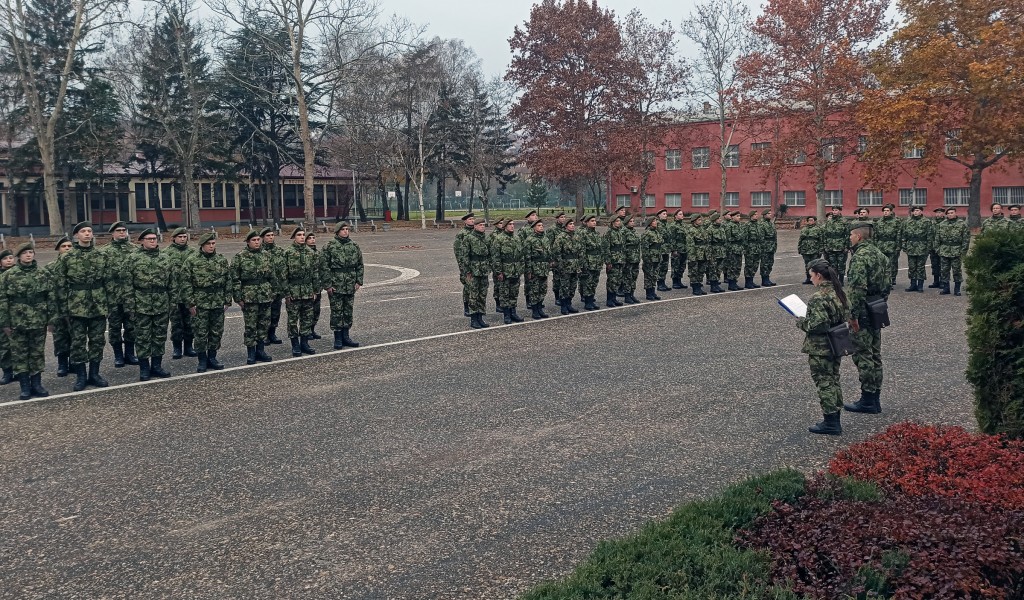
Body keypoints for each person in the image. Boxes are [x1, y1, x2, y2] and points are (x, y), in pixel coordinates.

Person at [797, 258, 851, 435]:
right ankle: (835, 418)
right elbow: (847, 313)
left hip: (821, 347)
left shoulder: (818, 297)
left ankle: (831, 422)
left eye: (811, 276)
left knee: (825, 382)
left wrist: (802, 322)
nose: (811, 279)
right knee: (833, 379)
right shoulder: (839, 292)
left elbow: (819, 325)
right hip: (837, 343)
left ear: (819, 275)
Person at [55, 221, 111, 390]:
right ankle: (81, 376)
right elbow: (60, 285)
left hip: (98, 305)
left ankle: (94, 374)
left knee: (97, 341)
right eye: (83, 231)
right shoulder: (67, 258)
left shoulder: (101, 256)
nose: (87, 233)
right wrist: (64, 310)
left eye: (89, 231)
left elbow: (109, 283)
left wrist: (108, 305)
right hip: (76, 307)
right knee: (78, 343)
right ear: (76, 236)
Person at [843, 221, 890, 414]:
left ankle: (868, 399)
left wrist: (852, 316)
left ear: (859, 236)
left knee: (863, 355)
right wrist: (879, 303)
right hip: (876, 307)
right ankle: (875, 397)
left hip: (862, 311)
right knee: (875, 354)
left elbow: (856, 289)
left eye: (851, 235)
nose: (850, 238)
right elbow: (888, 284)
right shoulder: (881, 255)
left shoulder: (860, 257)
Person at [0, 243, 57, 400]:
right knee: (20, 354)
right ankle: (25, 386)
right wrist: (4, 323)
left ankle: (37, 384)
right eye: (25, 253)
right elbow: (2, 300)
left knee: (37, 353)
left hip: (38, 321)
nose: (28, 255)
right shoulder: (8, 276)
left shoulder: (43, 273)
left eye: (31, 252)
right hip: (17, 322)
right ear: (19, 256)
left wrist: (51, 320)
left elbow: (51, 298)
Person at [128, 229, 173, 381]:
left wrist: (172, 302)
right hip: (141, 302)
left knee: (159, 336)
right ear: (142, 241)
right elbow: (127, 285)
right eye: (149, 239)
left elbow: (172, 283)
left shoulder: (165, 258)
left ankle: (157, 366)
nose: (153, 241)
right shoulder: (133, 258)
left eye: (154, 239)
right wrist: (130, 305)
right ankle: (144, 368)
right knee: (142, 337)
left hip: (161, 302)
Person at [182, 232, 231, 372]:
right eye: (208, 244)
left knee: (216, 332)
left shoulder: (221, 260)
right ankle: (202, 360)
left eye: (213, 243)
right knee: (200, 333)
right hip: (200, 302)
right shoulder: (192, 261)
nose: (211, 246)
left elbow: (228, 281)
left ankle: (212, 357)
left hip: (217, 301)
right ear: (202, 245)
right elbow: (186, 284)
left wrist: (227, 300)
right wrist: (190, 303)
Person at [231, 229, 274, 365]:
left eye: (258, 240)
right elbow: (235, 279)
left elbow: (273, 276)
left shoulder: (267, 255)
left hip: (265, 295)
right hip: (249, 296)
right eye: (253, 240)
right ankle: (251, 352)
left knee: (263, 324)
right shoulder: (240, 257)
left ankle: (260, 350)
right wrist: (238, 298)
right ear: (248, 242)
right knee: (250, 326)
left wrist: (272, 292)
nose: (256, 242)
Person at [100, 220, 138, 368]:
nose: (122, 232)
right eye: (119, 230)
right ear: (113, 233)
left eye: (124, 230)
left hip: (131, 297)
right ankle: (118, 356)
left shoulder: (135, 250)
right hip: (112, 297)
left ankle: (130, 354)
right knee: (114, 328)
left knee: (131, 327)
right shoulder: (104, 252)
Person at [321, 222, 365, 347]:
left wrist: (358, 281)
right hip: (336, 284)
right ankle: (338, 338)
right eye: (343, 229)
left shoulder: (354, 246)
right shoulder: (329, 246)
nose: (346, 231)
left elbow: (360, 265)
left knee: (347, 311)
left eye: (347, 229)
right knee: (336, 311)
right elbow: (324, 267)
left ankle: (346, 336)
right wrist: (328, 285)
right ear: (337, 231)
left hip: (350, 284)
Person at [283, 225, 319, 356]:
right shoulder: (287, 253)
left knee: (307, 319)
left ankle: (304, 343)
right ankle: (295, 345)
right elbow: (283, 275)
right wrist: (287, 293)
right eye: (299, 235)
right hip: (293, 291)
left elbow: (315, 273)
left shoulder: (310, 253)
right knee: (293, 320)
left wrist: (315, 290)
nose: (302, 237)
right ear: (294, 237)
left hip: (307, 291)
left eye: (303, 235)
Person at [164, 227, 197, 360]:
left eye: (184, 237)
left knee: (190, 322)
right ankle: (177, 348)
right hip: (174, 295)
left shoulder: (193, 253)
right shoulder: (166, 253)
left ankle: (189, 347)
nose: (183, 239)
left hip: (189, 294)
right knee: (176, 323)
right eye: (180, 237)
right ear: (173, 238)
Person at [45, 237, 73, 377]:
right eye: (64, 246)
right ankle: (62, 363)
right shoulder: (50, 268)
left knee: (76, 336)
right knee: (60, 337)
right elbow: (47, 293)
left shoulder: (77, 266)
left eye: (69, 246)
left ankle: (75, 362)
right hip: (57, 309)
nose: (67, 248)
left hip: (75, 307)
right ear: (58, 249)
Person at [490, 219, 525, 323]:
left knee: (514, 293)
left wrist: (521, 269)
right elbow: (496, 258)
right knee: (505, 294)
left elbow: (521, 255)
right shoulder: (499, 239)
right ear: (505, 226)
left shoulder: (517, 238)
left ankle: (513, 312)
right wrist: (499, 272)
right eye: (510, 224)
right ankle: (507, 315)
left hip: (515, 271)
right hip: (505, 271)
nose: (512, 226)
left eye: (513, 224)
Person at [462, 219, 491, 328]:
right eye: (480, 225)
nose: (482, 227)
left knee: (482, 295)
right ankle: (474, 319)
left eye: (484, 225)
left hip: (483, 270)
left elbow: (489, 254)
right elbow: (465, 256)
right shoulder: (468, 238)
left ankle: (480, 317)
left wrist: (489, 267)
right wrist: (468, 271)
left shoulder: (485, 238)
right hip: (474, 270)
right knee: (473, 295)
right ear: (475, 226)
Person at [935, 207, 971, 296]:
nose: (950, 214)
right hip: (944, 250)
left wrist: (963, 251)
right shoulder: (942, 224)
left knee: (957, 271)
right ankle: (946, 288)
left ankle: (957, 289)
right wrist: (938, 249)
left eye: (952, 213)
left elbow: (966, 239)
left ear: (955, 213)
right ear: (946, 214)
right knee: (944, 271)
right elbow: (937, 238)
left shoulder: (962, 224)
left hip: (956, 250)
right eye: (949, 213)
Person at [261, 227, 286, 344]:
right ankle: (264, 335)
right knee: (264, 313)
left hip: (277, 288)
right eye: (268, 236)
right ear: (262, 238)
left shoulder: (280, 250)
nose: (271, 237)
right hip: (264, 289)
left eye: (272, 235)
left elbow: (284, 270)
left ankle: (272, 333)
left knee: (275, 312)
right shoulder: (259, 251)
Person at [522, 219, 551, 319]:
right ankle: (535, 311)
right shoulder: (529, 240)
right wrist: (529, 271)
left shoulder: (545, 239)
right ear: (534, 228)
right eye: (539, 225)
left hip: (544, 268)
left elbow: (548, 253)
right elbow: (527, 257)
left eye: (542, 225)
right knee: (534, 290)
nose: (541, 227)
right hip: (535, 269)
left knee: (543, 289)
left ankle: (540, 308)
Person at [552, 218, 583, 312]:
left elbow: (581, 251)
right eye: (570, 224)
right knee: (564, 286)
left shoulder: (577, 236)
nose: (573, 225)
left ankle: (569, 304)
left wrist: (580, 264)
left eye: (573, 224)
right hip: (565, 265)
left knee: (572, 286)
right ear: (565, 226)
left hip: (575, 265)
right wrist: (560, 265)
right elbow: (556, 252)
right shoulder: (561, 237)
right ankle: (564, 306)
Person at [577, 215, 605, 310]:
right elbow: (582, 251)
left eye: (594, 221)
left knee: (594, 283)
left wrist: (601, 260)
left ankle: (592, 300)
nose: (594, 222)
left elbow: (600, 248)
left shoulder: (596, 234)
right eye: (592, 221)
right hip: (588, 262)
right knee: (587, 283)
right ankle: (587, 302)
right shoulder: (583, 234)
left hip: (596, 262)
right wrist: (583, 264)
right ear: (587, 222)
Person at [901, 206, 931, 292]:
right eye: (914, 211)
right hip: (911, 246)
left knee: (920, 267)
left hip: (922, 246)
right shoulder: (907, 222)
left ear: (921, 212)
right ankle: (913, 284)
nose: (915, 212)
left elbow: (930, 236)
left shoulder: (926, 222)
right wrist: (904, 246)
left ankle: (920, 285)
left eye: (917, 210)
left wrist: (928, 248)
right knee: (912, 267)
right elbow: (904, 235)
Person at [873, 204, 903, 287]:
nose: (885, 212)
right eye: (884, 211)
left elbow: (899, 235)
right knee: (881, 264)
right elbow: (875, 235)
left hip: (892, 245)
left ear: (891, 212)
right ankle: (882, 280)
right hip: (881, 245)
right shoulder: (879, 222)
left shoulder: (896, 222)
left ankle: (891, 280)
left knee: (892, 264)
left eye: (887, 211)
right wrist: (875, 245)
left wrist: (898, 246)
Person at [454, 213, 475, 317]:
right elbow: (458, 251)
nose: (472, 221)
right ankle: (466, 307)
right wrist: (462, 267)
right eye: (470, 219)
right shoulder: (462, 234)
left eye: (473, 219)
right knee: (467, 287)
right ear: (465, 221)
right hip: (466, 266)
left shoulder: (476, 232)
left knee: (476, 288)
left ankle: (475, 308)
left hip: (476, 265)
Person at [822, 206, 850, 283]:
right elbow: (825, 235)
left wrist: (847, 247)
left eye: (836, 210)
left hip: (841, 247)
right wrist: (825, 246)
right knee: (832, 266)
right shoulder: (829, 222)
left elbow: (848, 235)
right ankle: (835, 281)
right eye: (833, 210)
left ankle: (841, 281)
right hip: (831, 247)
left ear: (840, 211)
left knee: (841, 265)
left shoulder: (844, 222)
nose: (834, 212)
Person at [0, 249, 16, 384]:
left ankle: (20, 371)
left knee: (19, 345)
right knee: (4, 346)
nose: (9, 260)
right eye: (6, 258)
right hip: (2, 315)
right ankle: (7, 372)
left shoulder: (18, 274)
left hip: (18, 314)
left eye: (11, 258)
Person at [640, 216, 665, 301]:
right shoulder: (647, 234)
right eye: (654, 221)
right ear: (650, 223)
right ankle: (648, 293)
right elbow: (645, 248)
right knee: (648, 276)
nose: (656, 222)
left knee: (654, 276)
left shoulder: (657, 232)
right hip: (650, 258)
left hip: (657, 258)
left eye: (656, 221)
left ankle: (653, 292)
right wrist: (646, 259)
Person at [603, 215, 626, 306]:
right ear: (612, 222)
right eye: (617, 221)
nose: (619, 222)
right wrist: (608, 261)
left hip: (620, 259)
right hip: (613, 260)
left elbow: (622, 247)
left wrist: (623, 258)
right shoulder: (608, 233)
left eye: (619, 221)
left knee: (618, 280)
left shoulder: (620, 232)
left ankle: (614, 298)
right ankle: (609, 300)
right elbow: (606, 248)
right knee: (611, 280)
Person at [687, 213, 711, 295]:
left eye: (701, 219)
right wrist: (692, 257)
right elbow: (690, 244)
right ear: (694, 221)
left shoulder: (702, 229)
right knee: (694, 271)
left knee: (701, 271)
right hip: (696, 254)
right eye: (699, 220)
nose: (701, 221)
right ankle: (695, 288)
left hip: (703, 254)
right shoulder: (691, 230)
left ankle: (699, 286)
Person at [305, 232, 324, 339]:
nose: (312, 240)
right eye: (309, 238)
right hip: (308, 287)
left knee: (316, 310)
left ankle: (312, 329)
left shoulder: (318, 253)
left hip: (318, 286)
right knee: (307, 311)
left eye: (313, 238)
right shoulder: (305, 253)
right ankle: (306, 331)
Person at [621, 216, 642, 304]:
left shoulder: (634, 231)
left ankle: (632, 294)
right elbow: (622, 246)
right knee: (627, 278)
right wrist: (624, 258)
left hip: (635, 258)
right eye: (631, 221)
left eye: (633, 221)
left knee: (634, 277)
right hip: (628, 258)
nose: (633, 222)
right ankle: (627, 296)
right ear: (626, 223)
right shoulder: (623, 232)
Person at [797, 216, 824, 284]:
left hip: (815, 250)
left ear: (814, 221)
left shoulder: (818, 229)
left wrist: (820, 250)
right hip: (805, 250)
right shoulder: (804, 229)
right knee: (807, 265)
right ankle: (808, 278)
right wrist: (799, 248)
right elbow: (800, 239)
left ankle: (814, 278)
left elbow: (821, 240)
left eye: (812, 220)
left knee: (814, 265)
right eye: (809, 220)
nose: (810, 222)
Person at [667, 209, 689, 289]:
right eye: (680, 214)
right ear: (675, 216)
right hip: (677, 250)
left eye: (682, 214)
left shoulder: (684, 225)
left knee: (682, 266)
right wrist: (673, 250)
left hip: (684, 249)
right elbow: (672, 239)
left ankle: (679, 281)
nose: (682, 215)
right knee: (675, 266)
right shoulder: (673, 226)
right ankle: (675, 282)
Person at [723, 211, 745, 291]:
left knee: (737, 266)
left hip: (739, 249)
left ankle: (735, 281)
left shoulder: (739, 225)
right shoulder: (729, 226)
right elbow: (727, 239)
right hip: (732, 249)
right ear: (732, 217)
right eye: (737, 216)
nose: (739, 217)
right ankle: (731, 284)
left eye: (739, 216)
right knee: (732, 266)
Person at [742, 210, 763, 289]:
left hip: (757, 247)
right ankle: (748, 282)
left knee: (755, 265)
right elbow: (744, 238)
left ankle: (752, 280)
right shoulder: (747, 225)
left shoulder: (758, 225)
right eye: (755, 215)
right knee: (749, 265)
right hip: (750, 248)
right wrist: (746, 249)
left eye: (757, 214)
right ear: (751, 216)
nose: (756, 216)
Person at [759, 209, 778, 286]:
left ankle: (768, 278)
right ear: (764, 215)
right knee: (765, 264)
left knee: (770, 263)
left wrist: (775, 245)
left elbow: (774, 236)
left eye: (771, 213)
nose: (771, 214)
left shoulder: (771, 224)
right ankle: (764, 280)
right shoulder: (761, 224)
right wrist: (763, 247)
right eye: (769, 213)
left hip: (771, 247)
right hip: (765, 247)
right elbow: (761, 237)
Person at [927, 208, 945, 288]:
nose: (938, 214)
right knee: (934, 265)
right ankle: (936, 281)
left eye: (939, 212)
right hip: (933, 248)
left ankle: (942, 282)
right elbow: (929, 235)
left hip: (943, 248)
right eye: (936, 212)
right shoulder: (932, 223)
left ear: (943, 213)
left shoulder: (945, 223)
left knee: (943, 265)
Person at [655, 209, 671, 291]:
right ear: (659, 215)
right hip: (661, 249)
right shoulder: (658, 224)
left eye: (666, 214)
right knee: (660, 266)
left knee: (665, 266)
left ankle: (663, 282)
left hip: (666, 249)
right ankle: (659, 284)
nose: (666, 215)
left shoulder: (666, 224)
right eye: (664, 214)